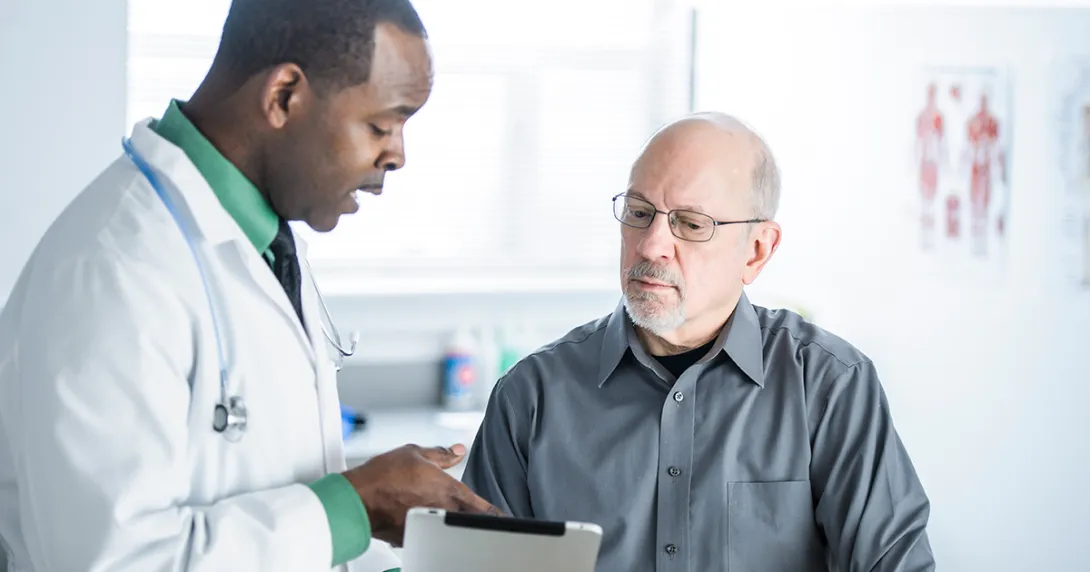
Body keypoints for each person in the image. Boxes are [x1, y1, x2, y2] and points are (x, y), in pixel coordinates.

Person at [0, 0, 498, 570]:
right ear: (284, 95)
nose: (398, 156)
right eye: (381, 125)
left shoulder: (263, 246)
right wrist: (355, 506)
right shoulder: (113, 268)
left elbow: (270, 508)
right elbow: (114, 561)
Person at [462, 112, 936, 572]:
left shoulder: (830, 387)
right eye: (639, 212)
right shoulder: (530, 397)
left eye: (690, 224)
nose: (650, 245)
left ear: (756, 251)